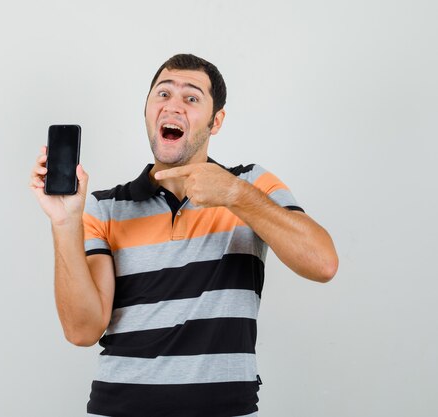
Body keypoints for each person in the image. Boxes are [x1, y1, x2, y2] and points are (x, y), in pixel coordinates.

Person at [30, 53, 338, 417]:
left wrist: (235, 195)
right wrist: (64, 223)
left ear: (215, 121)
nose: (173, 105)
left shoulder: (250, 185)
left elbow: (322, 264)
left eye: (191, 98)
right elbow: (82, 330)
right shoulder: (105, 207)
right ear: (146, 110)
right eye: (162, 94)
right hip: (119, 407)